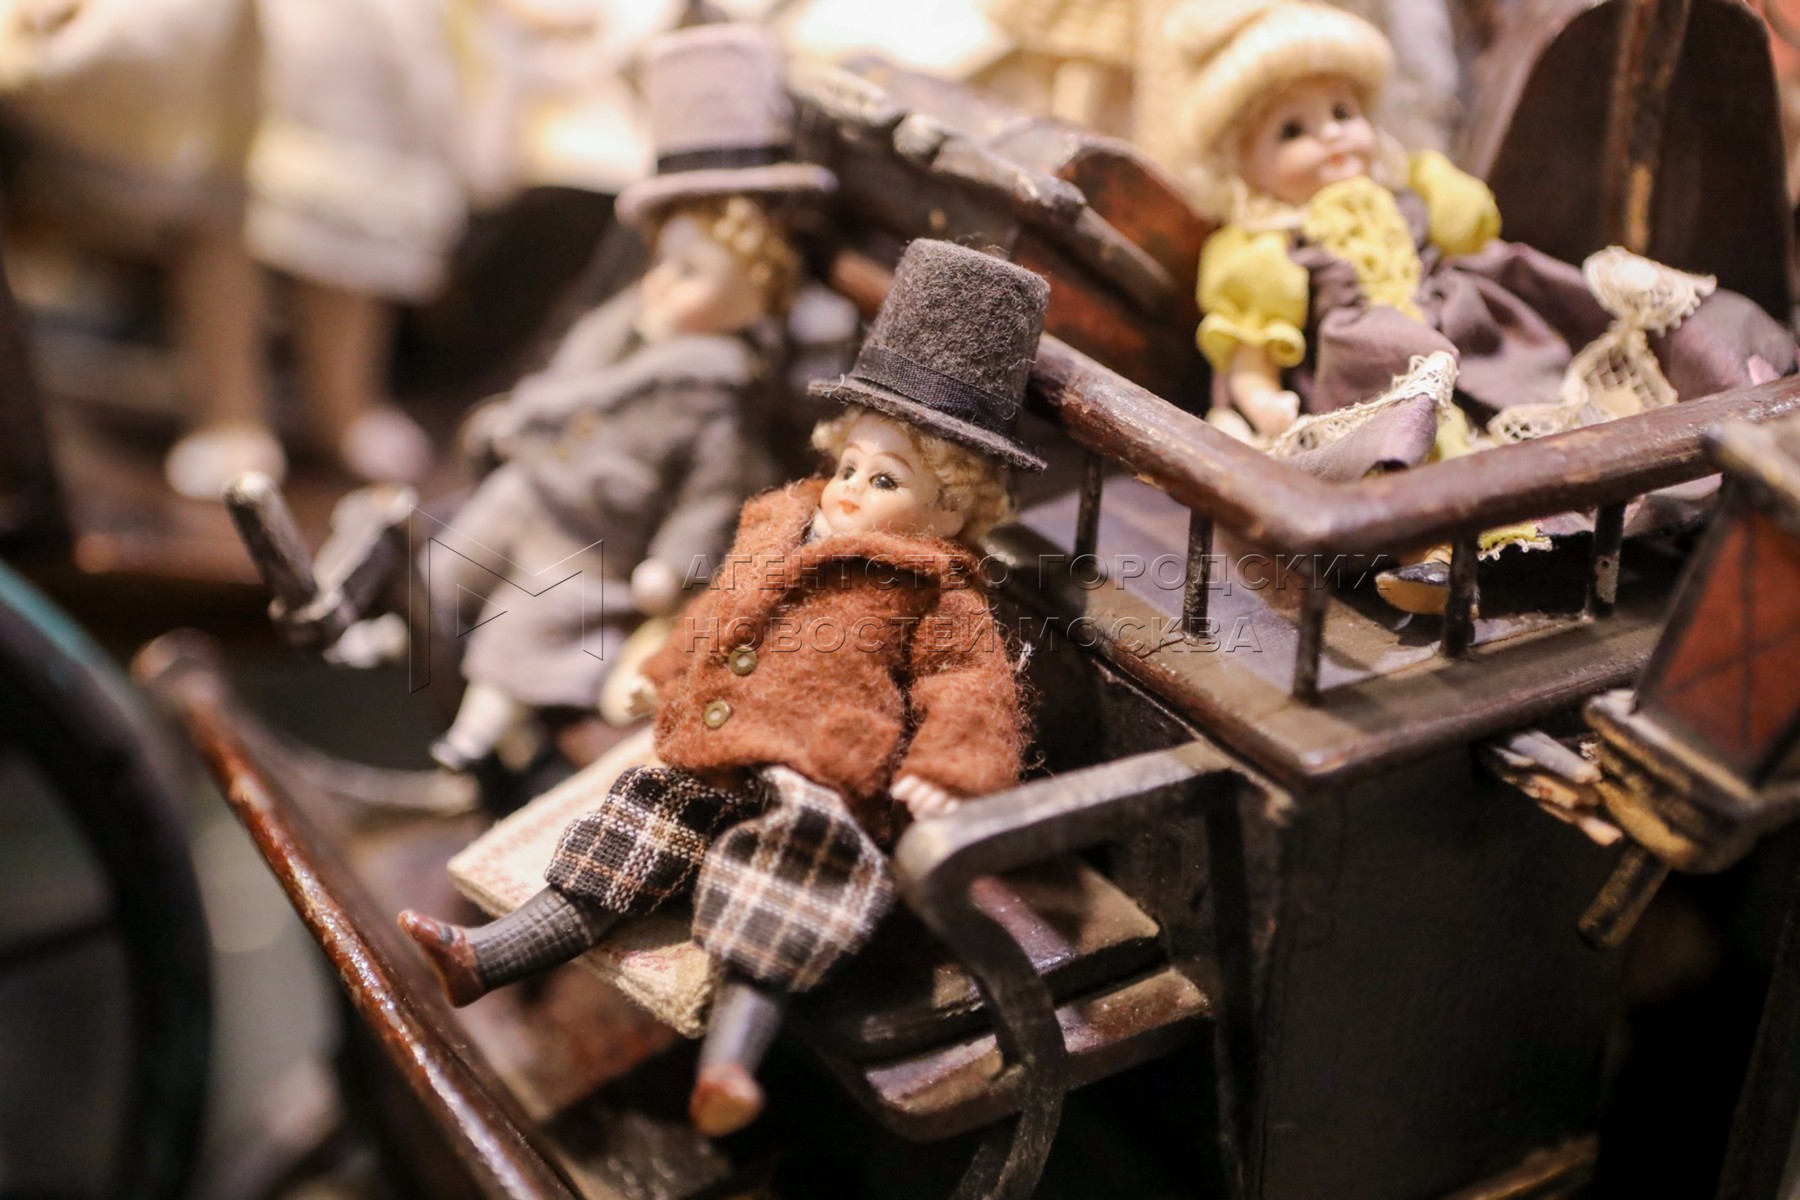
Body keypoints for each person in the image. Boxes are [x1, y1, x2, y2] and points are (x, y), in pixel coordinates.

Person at [399, 238, 1043, 1137]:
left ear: (950, 511)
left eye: (885, 480)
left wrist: (950, 768)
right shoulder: (780, 524)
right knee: (624, 837)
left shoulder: (938, 591)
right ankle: (488, 954)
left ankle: (730, 1065)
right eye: (849, 467)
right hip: (711, 746)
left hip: (822, 782)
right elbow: (718, 613)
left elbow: (971, 691)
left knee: (784, 898)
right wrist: (664, 670)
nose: (850, 491)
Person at [1161, 0, 1797, 612]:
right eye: (1292, 130)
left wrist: (1441, 188)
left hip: (1464, 320)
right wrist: (1261, 399)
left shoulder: (1408, 186)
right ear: (1239, 163)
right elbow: (1250, 343)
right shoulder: (1263, 247)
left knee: (1549, 376)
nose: (1331, 136)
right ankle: (1431, 552)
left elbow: (1472, 229)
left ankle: (1651, 486)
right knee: (1408, 443)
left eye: (1342, 111)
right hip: (1369, 363)